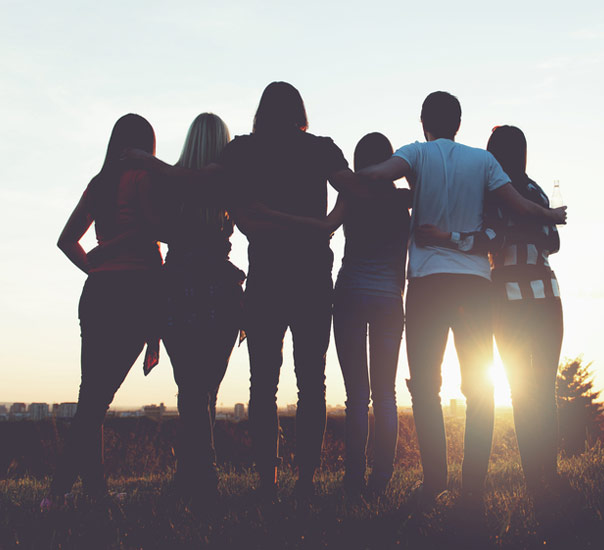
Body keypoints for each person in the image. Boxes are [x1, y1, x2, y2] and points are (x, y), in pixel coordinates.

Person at [357, 92, 566, 508]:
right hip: (475, 285)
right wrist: (545, 216)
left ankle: (435, 482)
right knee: (480, 389)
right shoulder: (483, 164)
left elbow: (380, 174)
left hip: (429, 284)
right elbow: (520, 209)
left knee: (426, 389)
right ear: (458, 122)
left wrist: (352, 176)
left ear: (423, 123)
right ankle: (474, 487)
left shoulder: (416, 154)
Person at [219, 81, 366, 498]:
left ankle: (268, 479)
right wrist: (326, 224)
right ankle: (306, 479)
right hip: (312, 274)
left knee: (262, 383)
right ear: (299, 111)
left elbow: (231, 202)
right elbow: (352, 190)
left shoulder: (243, 150)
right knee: (311, 382)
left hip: (266, 273)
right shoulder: (320, 148)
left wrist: (261, 218)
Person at [42, 114, 162, 509]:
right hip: (136, 293)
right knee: (97, 400)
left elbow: (66, 241)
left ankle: (94, 492)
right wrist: (156, 335)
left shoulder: (99, 184)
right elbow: (156, 238)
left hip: (98, 293)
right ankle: (57, 492)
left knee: (91, 396)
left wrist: (96, 266)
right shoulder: (146, 179)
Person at [160, 113, 245, 500]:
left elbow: (157, 232)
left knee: (189, 388)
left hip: (178, 289)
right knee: (204, 389)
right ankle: (201, 473)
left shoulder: (168, 182)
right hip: (221, 292)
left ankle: (193, 474)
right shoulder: (231, 182)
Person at [486, 125, 563, 502]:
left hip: (507, 298)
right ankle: (548, 471)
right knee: (544, 388)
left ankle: (535, 476)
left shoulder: (487, 195)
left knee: (521, 390)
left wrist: (513, 232)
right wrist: (534, 224)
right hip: (548, 295)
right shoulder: (536, 192)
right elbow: (553, 241)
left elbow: (490, 239)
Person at [331, 133, 410, 495]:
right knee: (386, 394)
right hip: (388, 301)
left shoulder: (351, 193)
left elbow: (329, 226)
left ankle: (353, 477)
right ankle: (382, 478)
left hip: (349, 294)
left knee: (356, 397)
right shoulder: (404, 201)